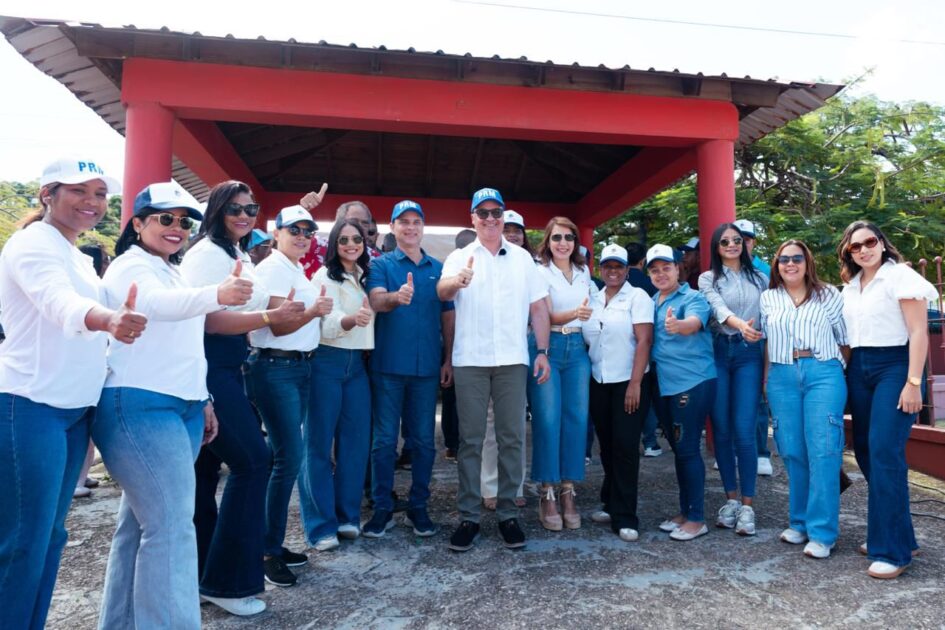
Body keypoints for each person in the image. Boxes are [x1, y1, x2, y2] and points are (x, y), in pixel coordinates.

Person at [93, 181, 251, 628]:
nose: (176, 227)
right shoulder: (129, 265)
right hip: (140, 403)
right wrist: (217, 294)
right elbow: (154, 305)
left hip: (180, 406)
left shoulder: (173, 270)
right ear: (138, 223)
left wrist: (203, 399)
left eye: (184, 221)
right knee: (172, 529)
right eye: (165, 218)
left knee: (142, 527)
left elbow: (186, 342)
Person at [0, 157, 146, 629]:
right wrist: (108, 319)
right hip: (29, 405)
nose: (92, 202)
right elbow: (57, 300)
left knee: (50, 537)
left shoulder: (80, 257)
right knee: (22, 541)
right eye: (79, 191)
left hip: (73, 410)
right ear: (48, 195)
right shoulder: (32, 244)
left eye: (100, 194)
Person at [181, 180, 305, 617]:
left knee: (204, 473)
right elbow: (209, 321)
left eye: (250, 209)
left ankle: (202, 576)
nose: (243, 215)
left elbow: (251, 308)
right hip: (209, 367)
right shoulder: (206, 255)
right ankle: (228, 582)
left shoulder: (235, 253)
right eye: (234, 208)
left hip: (229, 365)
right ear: (216, 210)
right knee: (253, 462)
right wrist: (271, 316)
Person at [438, 187, 551, 552]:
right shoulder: (459, 257)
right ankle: (469, 516)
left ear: (503, 217)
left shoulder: (522, 258)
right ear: (472, 218)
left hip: (512, 359)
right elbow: (442, 293)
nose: (490, 219)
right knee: (470, 441)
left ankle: (508, 514)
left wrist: (543, 351)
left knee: (512, 438)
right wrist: (457, 281)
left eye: (496, 212)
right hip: (470, 359)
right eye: (483, 213)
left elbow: (538, 308)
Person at [838, 220, 938, 579]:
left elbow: (918, 331)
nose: (864, 249)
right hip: (859, 367)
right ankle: (900, 536)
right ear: (848, 253)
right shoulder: (851, 287)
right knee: (866, 451)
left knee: (884, 451)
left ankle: (893, 552)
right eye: (855, 246)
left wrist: (913, 382)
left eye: (870, 242)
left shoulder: (900, 277)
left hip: (894, 366)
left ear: (882, 242)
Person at [247, 205, 333, 587]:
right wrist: (314, 311)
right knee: (288, 459)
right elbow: (278, 326)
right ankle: (266, 550)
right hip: (276, 366)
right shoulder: (272, 269)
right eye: (294, 230)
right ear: (276, 233)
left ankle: (271, 544)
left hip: (296, 367)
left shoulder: (294, 268)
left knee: (284, 458)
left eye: (307, 231)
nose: (302, 237)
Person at [362, 200, 454, 538]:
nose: (411, 227)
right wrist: (395, 297)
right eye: (404, 222)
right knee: (384, 441)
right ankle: (382, 507)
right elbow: (375, 300)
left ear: (423, 227)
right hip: (387, 367)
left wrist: (448, 359)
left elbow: (448, 314)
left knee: (424, 442)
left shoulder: (439, 268)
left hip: (427, 368)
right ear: (393, 227)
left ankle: (419, 506)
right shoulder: (380, 264)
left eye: (416, 221)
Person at [760, 239, 849, 560]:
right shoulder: (768, 298)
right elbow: (767, 342)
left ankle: (822, 532)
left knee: (823, 451)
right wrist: (767, 380)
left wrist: (834, 370)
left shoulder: (829, 294)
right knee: (792, 450)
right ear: (777, 264)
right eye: (784, 259)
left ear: (807, 262)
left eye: (797, 258)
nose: (790, 264)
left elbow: (845, 340)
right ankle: (799, 522)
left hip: (823, 372)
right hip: (782, 375)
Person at [301, 219, 375, 550]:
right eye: (343, 239)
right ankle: (320, 527)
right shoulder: (323, 277)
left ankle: (347, 517)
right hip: (326, 362)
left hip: (357, 365)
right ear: (334, 244)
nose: (351, 244)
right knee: (317, 445)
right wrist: (350, 320)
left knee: (355, 444)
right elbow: (325, 322)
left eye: (356, 238)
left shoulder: (366, 276)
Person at [698, 223, 768, 536]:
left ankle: (748, 505)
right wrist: (741, 325)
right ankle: (730, 500)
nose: (731, 245)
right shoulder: (707, 278)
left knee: (744, 429)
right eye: (724, 241)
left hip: (749, 353)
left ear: (745, 243)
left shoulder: (761, 278)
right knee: (722, 429)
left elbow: (770, 320)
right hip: (718, 351)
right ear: (716, 246)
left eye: (736, 240)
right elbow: (718, 309)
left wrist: (767, 363)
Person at [583, 244, 654, 542]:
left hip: (629, 380)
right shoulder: (593, 298)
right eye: (607, 266)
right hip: (599, 379)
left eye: (618, 267)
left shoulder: (638, 297)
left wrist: (635, 383)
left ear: (627, 270)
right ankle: (610, 503)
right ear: (600, 269)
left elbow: (644, 341)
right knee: (608, 445)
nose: (613, 271)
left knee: (625, 446)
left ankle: (626, 515)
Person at [528, 217, 594, 531]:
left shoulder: (583, 271)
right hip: (548, 347)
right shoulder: (539, 271)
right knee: (547, 419)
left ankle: (568, 490)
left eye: (569, 237)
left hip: (578, 349)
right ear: (548, 241)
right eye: (557, 237)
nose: (563, 243)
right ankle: (547, 492)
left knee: (577, 419)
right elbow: (546, 314)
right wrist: (576, 313)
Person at [647, 244, 716, 541]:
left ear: (678, 269)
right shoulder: (651, 301)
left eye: (667, 267)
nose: (661, 274)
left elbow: (694, 324)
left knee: (687, 449)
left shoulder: (693, 298)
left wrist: (679, 325)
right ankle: (686, 511)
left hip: (692, 382)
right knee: (679, 449)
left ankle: (697, 518)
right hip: (664, 384)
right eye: (655, 270)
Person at [734, 219, 774, 475]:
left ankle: (761, 452)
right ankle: (736, 451)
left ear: (753, 242)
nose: (741, 244)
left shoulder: (766, 270)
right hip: (730, 341)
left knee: (759, 399)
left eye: (746, 239)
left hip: (758, 341)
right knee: (732, 399)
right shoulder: (723, 269)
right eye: (737, 239)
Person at [74, 243, 111, 499]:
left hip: (90, 370)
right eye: (105, 260)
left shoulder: (97, 284)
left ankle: (80, 476)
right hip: (78, 372)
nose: (108, 264)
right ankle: (77, 480)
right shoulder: (92, 288)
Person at [625, 241, 661, 458]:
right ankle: (650, 442)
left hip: (619, 348)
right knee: (646, 396)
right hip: (647, 345)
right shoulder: (650, 284)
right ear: (643, 261)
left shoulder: (614, 281)